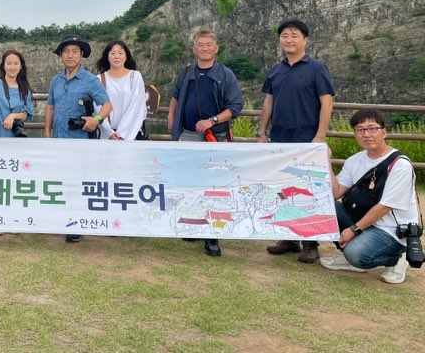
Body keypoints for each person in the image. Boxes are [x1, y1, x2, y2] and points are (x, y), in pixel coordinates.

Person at [259, 18, 335, 263]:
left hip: (307, 141)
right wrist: (262, 132)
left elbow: (326, 102)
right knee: (282, 190)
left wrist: (319, 137)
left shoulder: (316, 68)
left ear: (305, 39)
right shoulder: (275, 70)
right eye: (284, 36)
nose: (289, 40)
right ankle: (288, 239)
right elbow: (268, 101)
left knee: (308, 193)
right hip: (279, 140)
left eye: (294, 35)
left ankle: (310, 244)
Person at [166, 29, 243, 257]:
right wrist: (171, 118)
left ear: (216, 48)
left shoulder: (225, 74)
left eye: (209, 44)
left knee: (214, 185)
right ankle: (193, 225)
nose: (205, 48)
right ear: (194, 48)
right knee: (189, 184)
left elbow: (235, 107)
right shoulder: (186, 72)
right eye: (201, 44)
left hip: (215, 137)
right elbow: (176, 96)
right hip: (188, 134)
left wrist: (212, 121)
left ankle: (212, 236)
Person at [319, 110, 418, 284]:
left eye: (372, 128)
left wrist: (353, 230)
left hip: (390, 228)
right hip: (363, 219)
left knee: (356, 254)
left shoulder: (400, 165)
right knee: (324, 206)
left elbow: (384, 206)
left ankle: (397, 257)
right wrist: (326, 160)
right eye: (360, 130)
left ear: (384, 132)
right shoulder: (354, 160)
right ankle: (346, 255)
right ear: (355, 134)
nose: (366, 134)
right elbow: (335, 193)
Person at [44, 35, 112, 243]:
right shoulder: (56, 79)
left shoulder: (90, 80)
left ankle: (76, 223)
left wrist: (96, 119)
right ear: (61, 56)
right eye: (66, 52)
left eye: (75, 51)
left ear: (81, 55)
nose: (70, 55)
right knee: (60, 181)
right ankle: (60, 219)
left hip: (80, 141)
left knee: (77, 182)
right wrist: (46, 131)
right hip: (58, 139)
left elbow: (108, 105)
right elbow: (50, 107)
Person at [94, 40, 147, 141]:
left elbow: (136, 107)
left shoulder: (135, 77)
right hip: (106, 137)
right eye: (113, 53)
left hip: (131, 136)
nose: (116, 56)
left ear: (126, 56)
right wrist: (109, 133)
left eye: (120, 53)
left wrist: (122, 135)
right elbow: (97, 108)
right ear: (107, 56)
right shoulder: (99, 79)